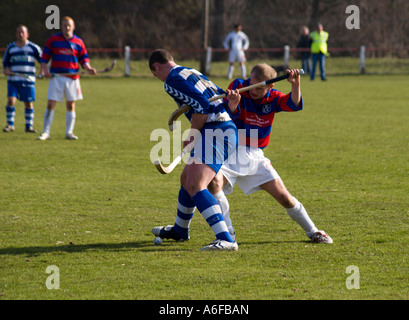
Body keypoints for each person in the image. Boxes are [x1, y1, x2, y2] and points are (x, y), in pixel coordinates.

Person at [207, 63, 333, 244]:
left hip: (255, 156)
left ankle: (314, 231)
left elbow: (293, 104)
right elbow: (224, 115)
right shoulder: (239, 86)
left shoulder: (273, 98)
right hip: (232, 152)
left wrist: (295, 84)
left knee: (284, 197)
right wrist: (233, 105)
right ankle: (228, 236)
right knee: (213, 184)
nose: (253, 90)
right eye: (252, 83)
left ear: (270, 86)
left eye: (259, 88)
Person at [149, 49, 239, 251]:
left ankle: (226, 239)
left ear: (156, 67)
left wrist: (192, 134)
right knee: (186, 179)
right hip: (219, 129)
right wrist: (231, 104)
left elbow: (201, 106)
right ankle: (180, 230)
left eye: (155, 74)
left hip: (217, 132)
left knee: (196, 184)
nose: (158, 78)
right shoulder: (191, 71)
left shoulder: (171, 80)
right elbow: (219, 98)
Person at [38, 16, 96, 140]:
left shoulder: (78, 42)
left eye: (69, 25)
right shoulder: (53, 40)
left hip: (72, 78)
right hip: (56, 77)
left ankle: (69, 132)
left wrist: (88, 68)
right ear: (61, 26)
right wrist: (45, 70)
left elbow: (83, 59)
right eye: (64, 25)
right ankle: (46, 132)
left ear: (73, 27)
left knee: (71, 105)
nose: (67, 28)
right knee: (50, 104)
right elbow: (44, 58)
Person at [2, 25, 42, 133]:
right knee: (11, 100)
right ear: (16, 34)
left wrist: (43, 71)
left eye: (22, 32)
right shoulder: (11, 47)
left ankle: (29, 126)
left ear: (27, 34)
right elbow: (6, 62)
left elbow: (43, 60)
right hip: (13, 80)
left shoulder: (33, 48)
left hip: (28, 80)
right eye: (18, 32)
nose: (20, 34)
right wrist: (6, 69)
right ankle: (10, 125)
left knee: (28, 103)